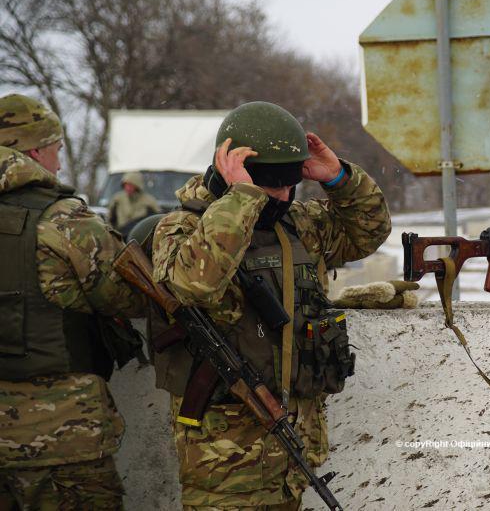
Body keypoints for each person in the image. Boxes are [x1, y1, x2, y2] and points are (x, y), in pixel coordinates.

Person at [149, 101, 391, 509]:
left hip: (293, 452)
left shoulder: (298, 225)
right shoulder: (183, 227)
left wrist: (339, 179)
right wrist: (242, 199)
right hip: (223, 463)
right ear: (232, 172)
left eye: (288, 184)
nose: (281, 195)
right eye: (270, 185)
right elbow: (195, 285)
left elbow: (368, 232)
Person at [0, 93, 147, 509]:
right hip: (64, 438)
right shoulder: (64, 221)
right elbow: (132, 296)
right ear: (34, 150)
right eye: (57, 150)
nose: (60, 163)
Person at [107, 171, 161, 235]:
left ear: (137, 185)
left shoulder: (149, 201)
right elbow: (110, 220)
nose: (128, 188)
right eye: (126, 185)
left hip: (140, 238)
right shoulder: (117, 199)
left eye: (130, 185)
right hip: (120, 236)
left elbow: (157, 220)